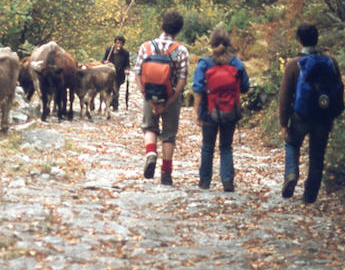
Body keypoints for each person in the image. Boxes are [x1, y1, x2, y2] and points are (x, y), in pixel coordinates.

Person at [278, 24, 345, 203]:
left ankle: (291, 174)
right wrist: (333, 115)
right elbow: (338, 90)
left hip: (301, 116)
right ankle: (310, 196)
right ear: (317, 39)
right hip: (323, 116)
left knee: (292, 144)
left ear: (299, 40)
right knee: (317, 155)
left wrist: (284, 124)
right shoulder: (331, 62)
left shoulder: (293, 64)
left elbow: (285, 96)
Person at [134, 11, 189, 186]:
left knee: (149, 127)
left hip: (150, 95)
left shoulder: (146, 47)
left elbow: (137, 73)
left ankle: (151, 153)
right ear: (178, 30)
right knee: (169, 135)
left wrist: (146, 96)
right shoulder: (181, 51)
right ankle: (166, 173)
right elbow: (182, 79)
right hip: (170, 96)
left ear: (162, 25)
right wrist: (170, 101)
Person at [192, 28, 250, 192]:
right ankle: (227, 181)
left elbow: (198, 89)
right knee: (226, 146)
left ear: (211, 44)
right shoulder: (236, 63)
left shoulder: (204, 63)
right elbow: (245, 86)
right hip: (231, 110)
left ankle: (204, 182)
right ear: (228, 44)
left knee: (207, 146)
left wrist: (197, 112)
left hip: (209, 111)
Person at [102, 35, 131, 110]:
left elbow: (127, 64)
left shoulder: (125, 53)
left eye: (121, 43)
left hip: (118, 75)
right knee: (107, 90)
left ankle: (115, 106)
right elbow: (103, 60)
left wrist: (127, 69)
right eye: (117, 43)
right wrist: (105, 62)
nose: (119, 45)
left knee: (116, 91)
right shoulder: (109, 50)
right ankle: (108, 104)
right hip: (108, 74)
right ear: (114, 43)